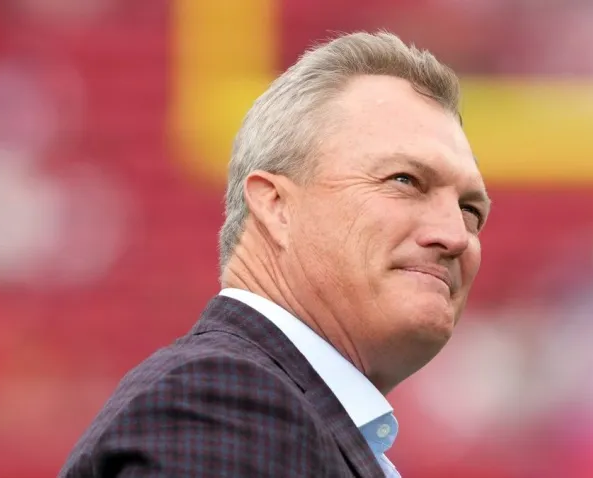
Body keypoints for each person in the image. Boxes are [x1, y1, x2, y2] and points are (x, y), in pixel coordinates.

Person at [59, 30, 490, 478]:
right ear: (275, 205)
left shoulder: (276, 410)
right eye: (405, 180)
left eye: (470, 211)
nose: (455, 235)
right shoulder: (226, 401)